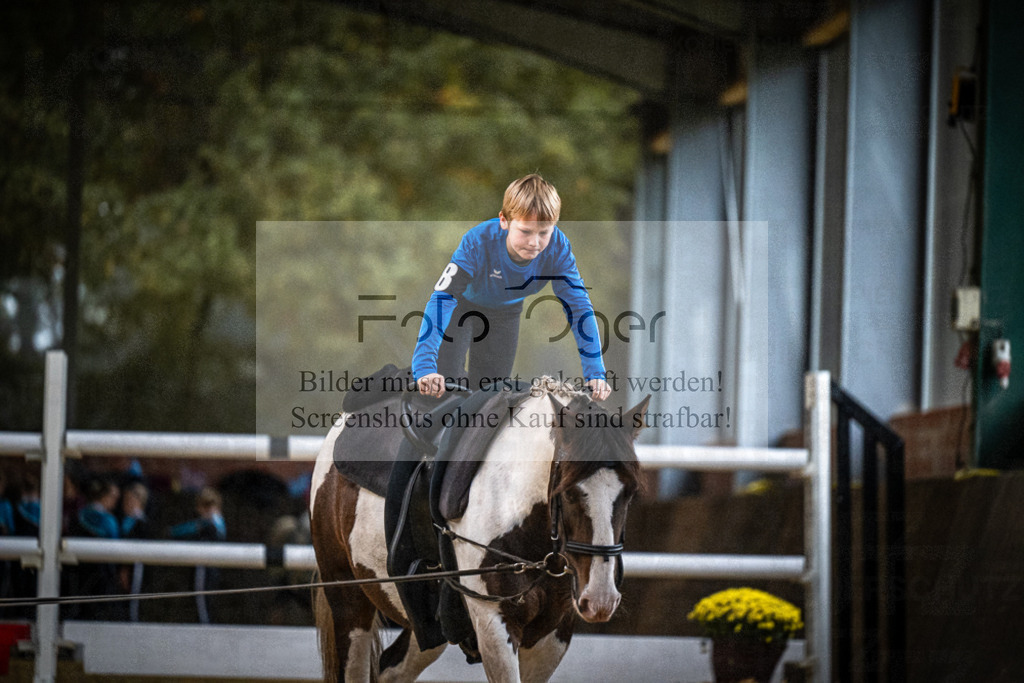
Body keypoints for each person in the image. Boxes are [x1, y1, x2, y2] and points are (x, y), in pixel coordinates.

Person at [413, 174, 612, 400]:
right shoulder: (478, 242)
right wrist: (424, 367)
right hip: (459, 308)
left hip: (504, 315)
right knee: (441, 390)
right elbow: (442, 299)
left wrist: (595, 372)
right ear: (504, 221)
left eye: (544, 232)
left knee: (488, 400)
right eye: (525, 231)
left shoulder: (558, 249)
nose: (534, 243)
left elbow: (579, 309)